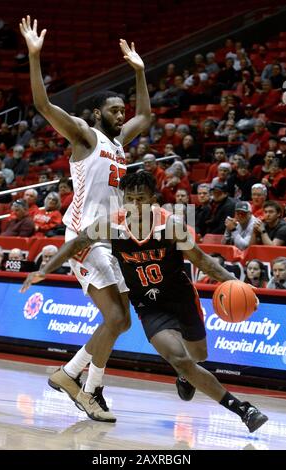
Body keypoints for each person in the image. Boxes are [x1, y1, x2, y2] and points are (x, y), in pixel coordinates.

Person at [21, 171, 268, 433]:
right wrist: (44, 269)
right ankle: (243, 410)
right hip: (149, 306)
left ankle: (187, 375)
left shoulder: (170, 226)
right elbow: (74, 245)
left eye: (141, 199)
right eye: (130, 199)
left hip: (181, 298)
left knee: (198, 356)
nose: (135, 205)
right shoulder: (110, 225)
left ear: (153, 200)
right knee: (179, 358)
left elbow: (203, 261)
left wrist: (237, 282)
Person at [20, 15, 151, 422]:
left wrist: (141, 73)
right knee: (114, 318)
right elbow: (43, 105)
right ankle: (87, 388)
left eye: (121, 110)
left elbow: (145, 117)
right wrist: (35, 56)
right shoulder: (85, 135)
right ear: (95, 114)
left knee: (122, 321)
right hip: (82, 234)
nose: (121, 114)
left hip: (108, 238)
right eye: (114, 110)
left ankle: (72, 376)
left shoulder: (118, 140)